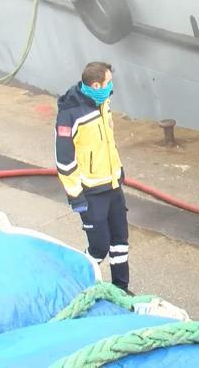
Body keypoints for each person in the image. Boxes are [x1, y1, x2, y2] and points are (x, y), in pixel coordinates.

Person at [55, 61, 130, 291]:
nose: (111, 88)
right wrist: (76, 196)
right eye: (108, 83)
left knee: (120, 242)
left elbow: (107, 144)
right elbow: (64, 161)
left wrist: (118, 171)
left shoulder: (102, 104)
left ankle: (121, 288)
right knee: (99, 247)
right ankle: (79, 283)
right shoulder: (69, 116)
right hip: (91, 192)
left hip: (112, 186)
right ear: (96, 85)